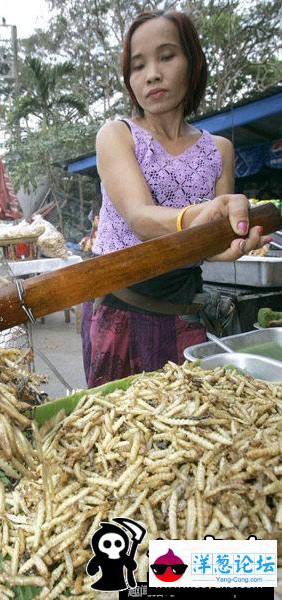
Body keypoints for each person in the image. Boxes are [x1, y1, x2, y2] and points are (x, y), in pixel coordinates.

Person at [81, 10, 269, 388]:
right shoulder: (117, 136)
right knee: (117, 432)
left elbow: (210, 242)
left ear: (193, 64)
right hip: (121, 308)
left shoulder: (219, 150)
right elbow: (140, 217)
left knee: (182, 426)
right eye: (138, 65)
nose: (151, 73)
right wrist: (199, 216)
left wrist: (228, 244)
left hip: (185, 311)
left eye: (166, 56)